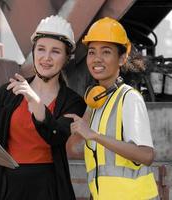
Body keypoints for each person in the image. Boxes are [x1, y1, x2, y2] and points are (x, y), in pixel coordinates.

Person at [0, 15, 86, 200]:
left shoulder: (73, 101)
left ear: (66, 58)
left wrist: (35, 102)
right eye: (41, 49)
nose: (46, 57)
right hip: (6, 187)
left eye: (55, 51)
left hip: (46, 188)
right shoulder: (7, 93)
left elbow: (57, 137)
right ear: (34, 51)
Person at [65, 17, 158, 200]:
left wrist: (95, 135)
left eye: (106, 52)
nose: (97, 59)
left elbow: (146, 155)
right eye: (92, 52)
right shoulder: (98, 101)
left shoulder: (129, 98)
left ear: (122, 58)